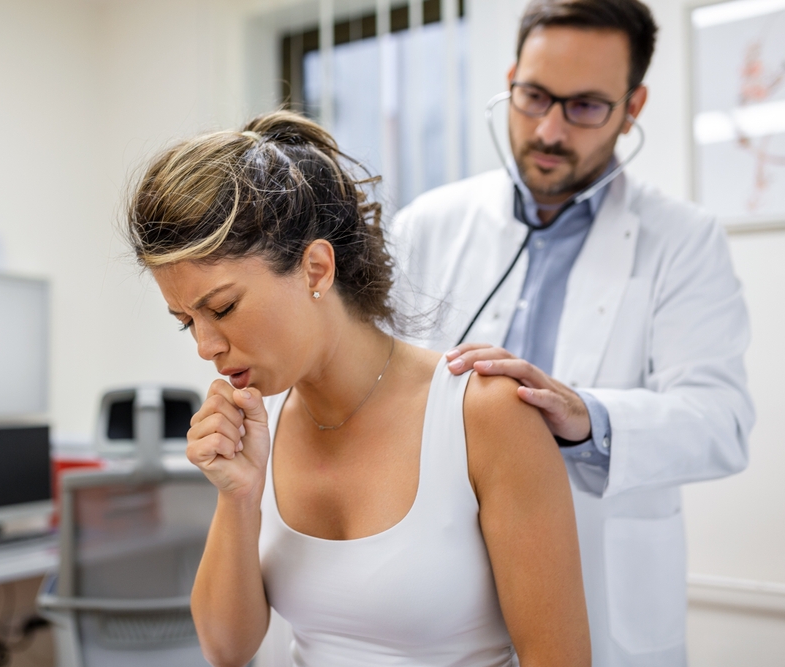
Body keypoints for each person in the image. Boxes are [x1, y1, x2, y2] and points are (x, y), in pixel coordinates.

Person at [125, 111, 590, 666]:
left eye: (222, 308)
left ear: (317, 269)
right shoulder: (258, 426)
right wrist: (238, 496)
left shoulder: (483, 414)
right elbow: (226, 649)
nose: (205, 346)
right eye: (186, 320)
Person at [388, 1, 755, 665]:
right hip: (442, 590)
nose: (550, 129)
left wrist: (590, 415)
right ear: (511, 78)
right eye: (533, 97)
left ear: (632, 105)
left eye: (585, 106)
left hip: (602, 591)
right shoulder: (428, 224)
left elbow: (722, 420)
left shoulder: (683, 239)